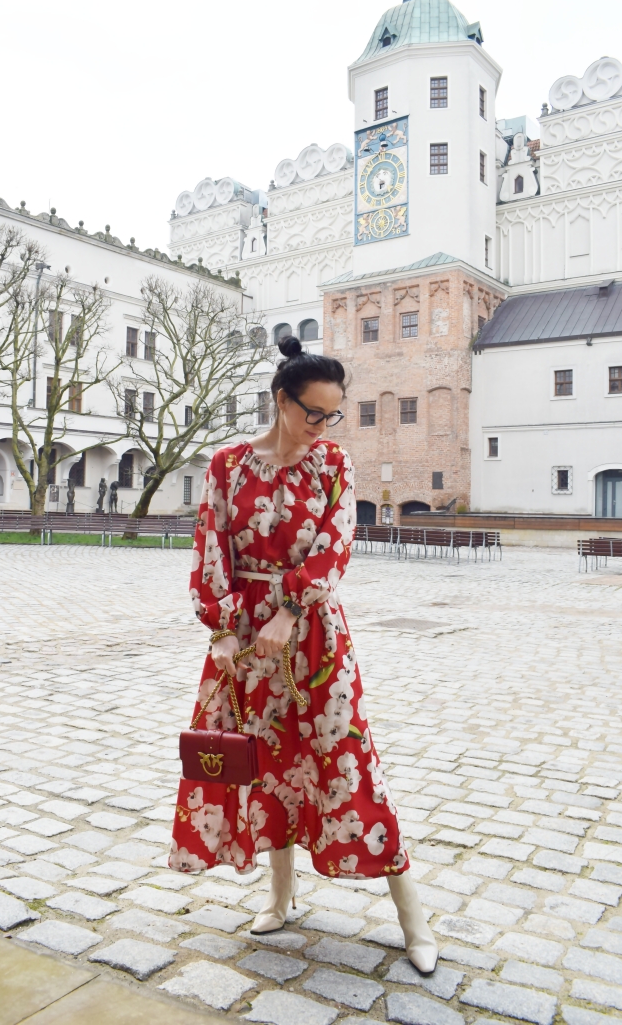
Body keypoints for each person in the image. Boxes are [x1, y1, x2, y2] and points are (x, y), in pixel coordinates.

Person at [169, 335, 437, 973]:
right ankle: (280, 896)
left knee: (347, 759)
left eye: (332, 414)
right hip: (243, 638)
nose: (322, 425)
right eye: (313, 412)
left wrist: (289, 611)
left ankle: (413, 918)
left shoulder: (334, 464)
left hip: (314, 634)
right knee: (262, 761)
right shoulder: (227, 464)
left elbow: (336, 544)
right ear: (280, 400)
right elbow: (211, 545)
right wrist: (222, 629)